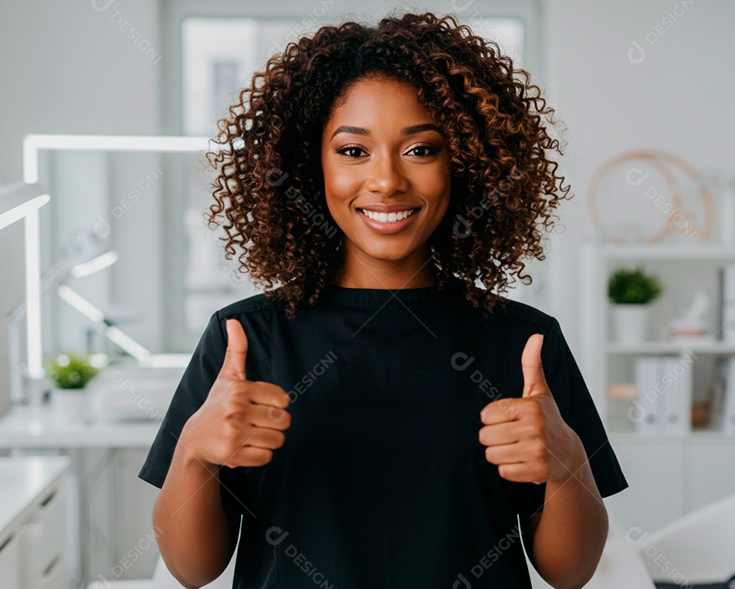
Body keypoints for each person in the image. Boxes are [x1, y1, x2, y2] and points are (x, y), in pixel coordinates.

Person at [138, 11, 629, 589]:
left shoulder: (522, 343)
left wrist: (570, 465)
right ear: (309, 162)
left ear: (464, 165)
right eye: (353, 151)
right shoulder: (245, 339)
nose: (387, 181)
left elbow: (569, 572)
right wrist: (193, 454)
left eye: (420, 149)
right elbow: (193, 571)